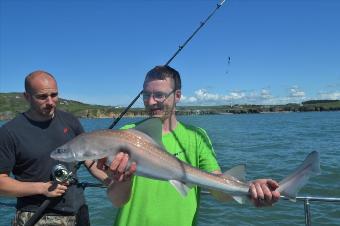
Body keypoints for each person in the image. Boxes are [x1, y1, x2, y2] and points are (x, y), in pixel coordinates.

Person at [98, 65, 281, 226]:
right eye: (146, 95)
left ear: (177, 96)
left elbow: (219, 192)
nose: (151, 101)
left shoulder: (196, 138)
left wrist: (249, 188)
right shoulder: (125, 135)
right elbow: (117, 201)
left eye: (159, 95)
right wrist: (123, 180)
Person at [0, 70, 108, 226]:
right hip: (38, 215)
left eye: (54, 95)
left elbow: (88, 159)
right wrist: (42, 188)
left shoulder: (70, 121)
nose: (50, 102)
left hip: (79, 211)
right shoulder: (10, 132)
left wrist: (110, 180)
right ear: (27, 97)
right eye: (42, 97)